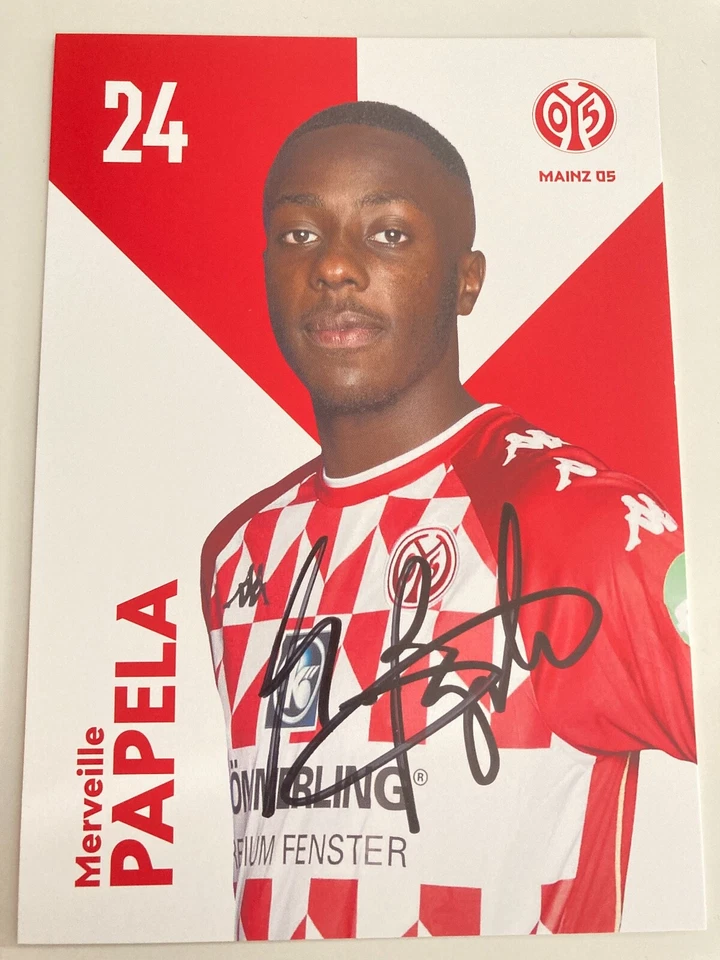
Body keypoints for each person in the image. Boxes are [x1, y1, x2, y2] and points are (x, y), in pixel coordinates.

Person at [201, 101, 695, 941]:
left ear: (466, 281)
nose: (334, 267)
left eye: (388, 233)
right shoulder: (237, 549)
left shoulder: (577, 524)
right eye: (299, 234)